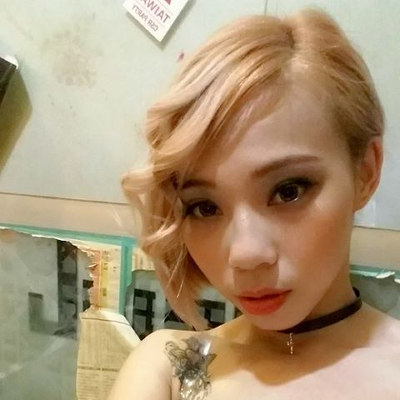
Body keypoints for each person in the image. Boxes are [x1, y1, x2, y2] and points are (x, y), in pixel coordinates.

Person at [109, 8, 400, 399]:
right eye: (204, 207)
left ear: (364, 172)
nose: (245, 255)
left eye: (288, 191)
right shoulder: (170, 368)